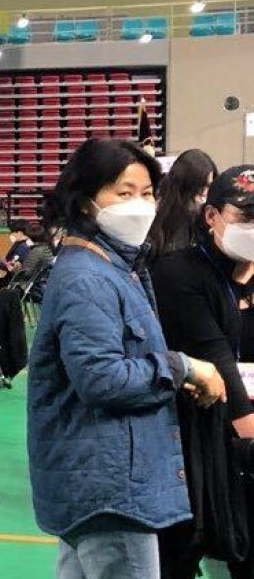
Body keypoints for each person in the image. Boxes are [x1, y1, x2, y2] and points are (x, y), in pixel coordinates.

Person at [27, 138, 227, 579]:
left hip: (106, 476)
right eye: (123, 193)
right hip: (110, 485)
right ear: (85, 205)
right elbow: (101, 378)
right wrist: (183, 367)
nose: (139, 205)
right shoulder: (88, 278)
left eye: (146, 193)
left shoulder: (117, 267)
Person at [153, 164, 254, 578]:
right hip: (196, 442)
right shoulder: (180, 274)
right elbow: (217, 363)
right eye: (245, 217)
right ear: (211, 215)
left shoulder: (241, 274)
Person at [148, 148, 219, 262]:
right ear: (187, 185)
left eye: (209, 185)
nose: (205, 192)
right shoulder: (160, 214)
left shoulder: (203, 216)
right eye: (201, 186)